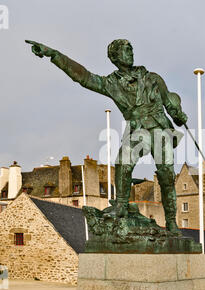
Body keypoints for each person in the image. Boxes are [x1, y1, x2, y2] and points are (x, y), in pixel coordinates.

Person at [26, 39, 188, 234]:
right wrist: (54, 54)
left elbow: (172, 105)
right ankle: (121, 207)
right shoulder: (111, 83)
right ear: (114, 57)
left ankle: (171, 222)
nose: (130, 52)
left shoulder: (153, 78)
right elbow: (83, 77)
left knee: (166, 175)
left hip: (160, 129)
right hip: (138, 130)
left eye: (131, 49)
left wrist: (178, 113)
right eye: (125, 50)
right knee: (123, 162)